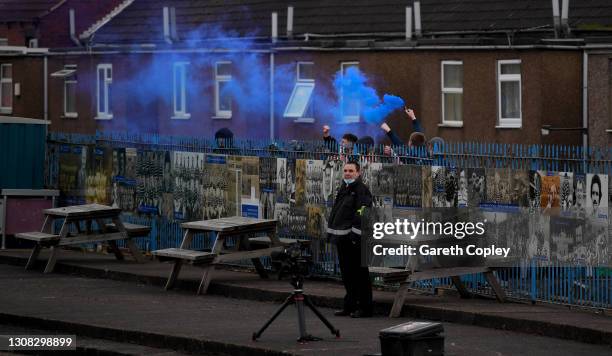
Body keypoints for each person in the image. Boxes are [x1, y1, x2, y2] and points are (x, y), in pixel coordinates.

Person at [327, 160, 373, 318]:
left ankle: (364, 308)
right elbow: (337, 212)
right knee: (347, 274)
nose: (347, 173)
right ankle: (350, 305)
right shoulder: (344, 188)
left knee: (360, 274)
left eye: (351, 171)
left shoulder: (361, 190)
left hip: (354, 239)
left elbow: (362, 212)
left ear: (358, 173)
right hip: (342, 238)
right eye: (345, 170)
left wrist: (355, 235)